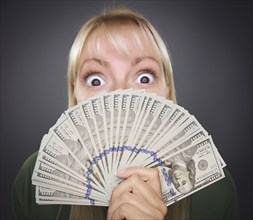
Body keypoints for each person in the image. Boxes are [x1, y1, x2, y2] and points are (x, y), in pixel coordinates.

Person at [11, 7, 240, 220]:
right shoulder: (36, 180)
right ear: (76, 96)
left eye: (144, 78)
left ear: (167, 93)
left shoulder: (212, 189)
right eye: (96, 80)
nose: (120, 96)